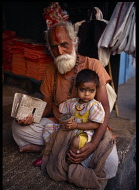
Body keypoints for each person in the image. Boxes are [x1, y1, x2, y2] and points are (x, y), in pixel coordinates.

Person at [12, 21, 118, 179]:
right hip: (58, 126)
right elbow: (47, 107)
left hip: (87, 129)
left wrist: (93, 144)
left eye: (64, 44)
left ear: (74, 42)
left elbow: (105, 109)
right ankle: (61, 151)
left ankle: (48, 149)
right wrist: (31, 117)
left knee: (109, 166)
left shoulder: (93, 65)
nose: (60, 51)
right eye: (54, 47)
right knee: (17, 128)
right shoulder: (50, 69)